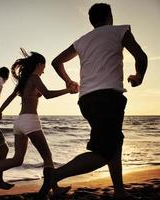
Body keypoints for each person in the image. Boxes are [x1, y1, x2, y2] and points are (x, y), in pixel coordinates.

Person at [39, 3, 148, 199]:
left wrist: (69, 81)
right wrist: (138, 76)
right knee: (103, 152)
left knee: (115, 141)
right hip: (107, 98)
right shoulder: (119, 31)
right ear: (109, 17)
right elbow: (141, 56)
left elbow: (57, 61)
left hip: (86, 100)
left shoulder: (82, 40)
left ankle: (120, 191)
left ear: (91, 21)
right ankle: (54, 175)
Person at [0, 50, 76, 195]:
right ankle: (55, 189)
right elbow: (47, 95)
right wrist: (67, 90)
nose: (43, 71)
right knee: (47, 157)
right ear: (39, 64)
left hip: (19, 122)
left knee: (17, 159)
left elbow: (11, 97)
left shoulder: (24, 81)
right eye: (44, 67)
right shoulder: (35, 77)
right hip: (30, 120)